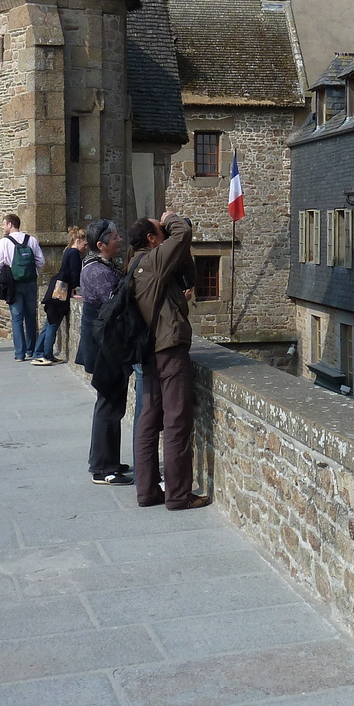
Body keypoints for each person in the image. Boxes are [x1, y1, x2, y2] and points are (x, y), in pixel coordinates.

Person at [130, 211, 208, 510]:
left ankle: (147, 491)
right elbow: (182, 237)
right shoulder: (153, 261)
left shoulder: (134, 262)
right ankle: (178, 495)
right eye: (159, 232)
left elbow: (183, 270)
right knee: (176, 420)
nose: (164, 233)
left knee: (147, 422)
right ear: (151, 239)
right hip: (168, 349)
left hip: (147, 350)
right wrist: (171, 218)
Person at [74, 219, 132, 485]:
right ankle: (103, 468)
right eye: (115, 237)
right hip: (104, 348)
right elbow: (114, 306)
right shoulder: (96, 271)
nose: (119, 240)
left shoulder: (101, 266)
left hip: (106, 346)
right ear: (101, 244)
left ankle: (108, 460)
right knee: (108, 406)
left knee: (111, 405)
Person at [0, 214, 45, 361]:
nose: (3, 227)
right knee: (30, 316)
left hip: (13, 283)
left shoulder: (5, 242)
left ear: (10, 224)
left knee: (16, 318)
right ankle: (31, 350)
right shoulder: (31, 240)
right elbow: (41, 261)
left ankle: (19, 354)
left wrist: (9, 266)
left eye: (4, 224)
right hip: (30, 282)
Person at [31, 227, 86, 365]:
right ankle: (46, 355)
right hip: (61, 292)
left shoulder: (68, 251)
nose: (86, 248)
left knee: (49, 324)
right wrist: (73, 291)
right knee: (52, 324)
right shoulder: (73, 253)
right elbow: (74, 275)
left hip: (57, 289)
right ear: (78, 241)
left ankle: (39, 353)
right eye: (85, 244)